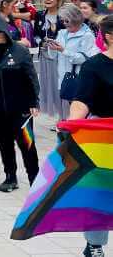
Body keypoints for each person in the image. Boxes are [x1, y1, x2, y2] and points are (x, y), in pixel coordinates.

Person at [0, 14, 40, 192]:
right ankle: (10, 177)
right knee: (4, 143)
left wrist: (34, 101)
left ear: (5, 31)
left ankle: (35, 179)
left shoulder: (19, 50)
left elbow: (32, 77)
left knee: (27, 144)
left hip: (21, 109)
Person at [68, 15, 112, 257]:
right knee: (101, 190)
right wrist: (73, 126)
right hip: (103, 135)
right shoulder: (94, 66)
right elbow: (82, 100)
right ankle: (95, 244)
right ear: (109, 36)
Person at [48, 4, 100, 106]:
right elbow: (53, 56)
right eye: (62, 21)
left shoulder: (87, 35)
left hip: (80, 79)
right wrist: (51, 47)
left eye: (67, 21)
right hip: (65, 78)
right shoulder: (62, 33)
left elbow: (85, 59)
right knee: (72, 107)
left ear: (75, 18)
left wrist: (63, 50)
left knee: (81, 111)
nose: (64, 23)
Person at [35, 0, 67, 126]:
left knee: (59, 84)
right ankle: (60, 116)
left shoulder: (64, 15)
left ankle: (65, 116)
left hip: (60, 55)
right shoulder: (40, 14)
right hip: (45, 54)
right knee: (50, 85)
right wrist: (41, 42)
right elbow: (36, 34)